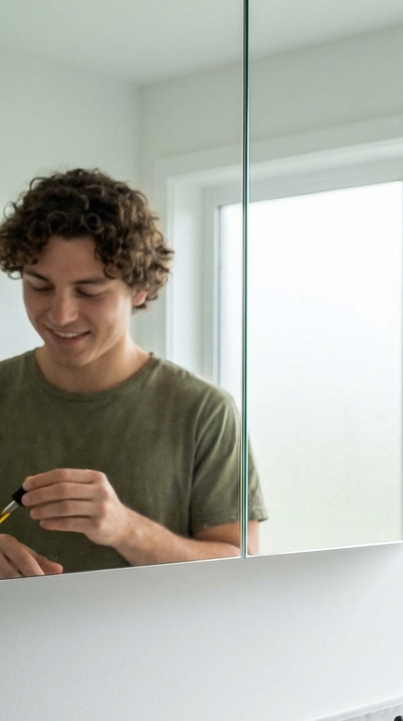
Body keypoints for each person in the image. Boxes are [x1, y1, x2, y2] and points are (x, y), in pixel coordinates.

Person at [0, 169, 266, 577]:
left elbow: (240, 565)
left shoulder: (203, 411)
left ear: (139, 289)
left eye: (89, 292)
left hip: (158, 642)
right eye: (39, 285)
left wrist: (126, 529)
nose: (60, 314)